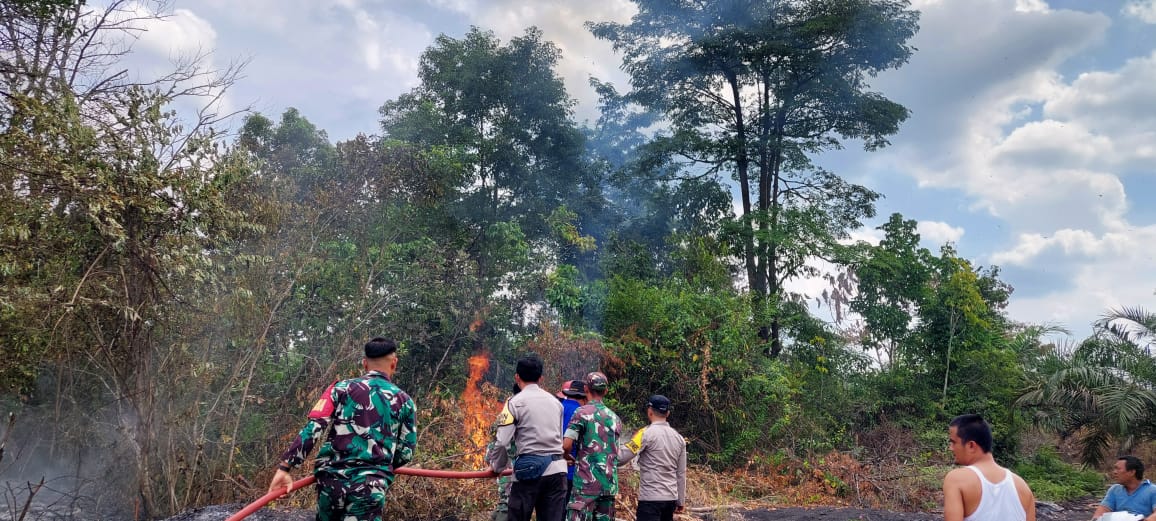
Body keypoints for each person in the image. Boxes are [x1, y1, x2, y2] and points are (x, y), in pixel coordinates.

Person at [268, 337, 417, 521]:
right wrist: (379, 469)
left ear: (364, 364)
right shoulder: (405, 401)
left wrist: (285, 468)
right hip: (370, 486)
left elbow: (314, 427)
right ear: (394, 363)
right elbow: (406, 452)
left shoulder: (340, 388)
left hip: (331, 483)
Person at [487, 353, 568, 521]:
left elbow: (502, 442)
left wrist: (497, 467)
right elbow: (559, 438)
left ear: (517, 377)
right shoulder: (555, 402)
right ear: (541, 378)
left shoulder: (514, 403)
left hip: (529, 471)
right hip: (558, 471)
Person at [942, 414, 1035, 521]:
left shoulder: (956, 479)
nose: (951, 448)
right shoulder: (1022, 486)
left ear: (971, 445)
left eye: (953, 442)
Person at [562, 372, 622, 521]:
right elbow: (617, 453)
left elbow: (566, 444)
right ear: (606, 391)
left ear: (585, 388)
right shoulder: (615, 418)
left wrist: (566, 456)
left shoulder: (581, 413)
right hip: (608, 485)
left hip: (585, 483)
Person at [617, 395, 686, 521]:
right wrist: (680, 500)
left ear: (649, 411)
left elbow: (621, 458)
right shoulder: (679, 438)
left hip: (650, 499)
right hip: (670, 500)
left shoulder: (644, 434)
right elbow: (681, 473)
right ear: (668, 413)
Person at [1091, 456, 1156, 521]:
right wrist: (1097, 519)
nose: (1114, 472)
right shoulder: (1115, 490)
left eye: (1118, 469)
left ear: (1132, 472)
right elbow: (1101, 511)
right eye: (1114, 469)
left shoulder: (1152, 490)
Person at [492, 382, 521, 521]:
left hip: (514, 467)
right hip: (512, 466)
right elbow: (500, 441)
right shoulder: (513, 407)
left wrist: (495, 464)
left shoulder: (511, 406)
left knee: (506, 502)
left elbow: (497, 440)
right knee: (506, 502)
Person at [557, 379, 588, 490]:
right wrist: (566, 455)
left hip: (551, 467)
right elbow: (567, 445)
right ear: (585, 397)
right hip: (570, 468)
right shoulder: (580, 412)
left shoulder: (558, 406)